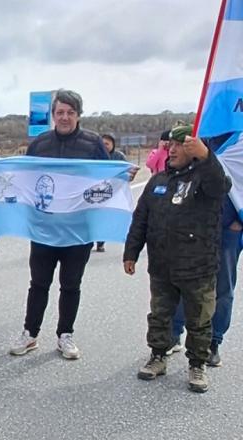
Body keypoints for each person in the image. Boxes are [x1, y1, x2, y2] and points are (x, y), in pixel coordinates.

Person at [124, 125, 230, 393]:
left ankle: (197, 364)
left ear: (193, 149)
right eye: (169, 144)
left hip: (198, 267)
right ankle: (158, 356)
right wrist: (131, 252)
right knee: (160, 315)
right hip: (162, 266)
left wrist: (207, 156)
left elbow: (220, 185)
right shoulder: (158, 181)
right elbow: (140, 219)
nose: (171, 149)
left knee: (199, 320)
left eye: (179, 144)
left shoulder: (206, 179)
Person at [10, 89, 110, 360]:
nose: (64, 117)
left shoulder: (92, 143)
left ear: (78, 115)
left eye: (70, 112)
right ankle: (30, 334)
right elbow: (25, 178)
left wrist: (123, 175)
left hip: (78, 230)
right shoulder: (40, 143)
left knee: (70, 285)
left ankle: (65, 335)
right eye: (59, 113)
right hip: (44, 229)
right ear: (53, 115)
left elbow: (107, 179)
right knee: (38, 283)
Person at [170, 133, 242, 367]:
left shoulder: (240, 142)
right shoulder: (198, 135)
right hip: (193, 226)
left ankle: (213, 341)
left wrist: (238, 222)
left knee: (222, 286)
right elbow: (173, 170)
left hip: (228, 227)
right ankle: (173, 333)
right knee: (182, 282)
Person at [95, 134, 128, 252]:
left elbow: (126, 172)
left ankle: (101, 242)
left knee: (106, 217)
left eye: (107, 144)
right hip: (96, 191)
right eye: (102, 143)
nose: (105, 146)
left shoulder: (119, 157)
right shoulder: (94, 156)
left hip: (113, 191)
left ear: (113, 144)